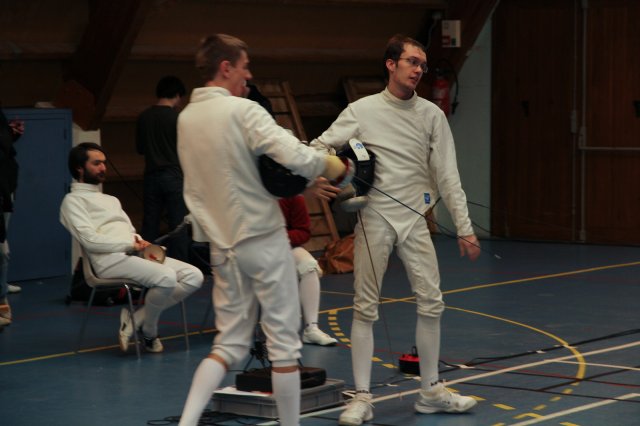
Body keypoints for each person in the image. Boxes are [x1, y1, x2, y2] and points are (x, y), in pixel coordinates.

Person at [176, 34, 351, 426]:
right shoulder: (243, 110)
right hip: (264, 241)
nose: (249, 74)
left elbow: (233, 176)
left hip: (222, 247)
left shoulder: (186, 118)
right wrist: (335, 166)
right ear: (226, 68)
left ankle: (187, 422)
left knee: (229, 343)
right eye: (245, 66)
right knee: (284, 347)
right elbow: (293, 154)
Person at [309, 34, 481, 425]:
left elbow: (448, 174)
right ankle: (362, 397)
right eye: (412, 62)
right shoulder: (362, 110)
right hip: (375, 218)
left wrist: (465, 227)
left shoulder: (432, 115)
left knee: (432, 302)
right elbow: (318, 146)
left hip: (415, 219)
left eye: (422, 64)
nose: (418, 69)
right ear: (391, 64)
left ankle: (431, 391)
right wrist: (316, 178)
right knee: (365, 306)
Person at [59, 142, 203, 353]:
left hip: (133, 254)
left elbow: (129, 231)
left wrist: (139, 242)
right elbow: (90, 240)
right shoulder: (72, 202)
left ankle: (135, 320)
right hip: (107, 261)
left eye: (104, 163)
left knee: (194, 276)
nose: (103, 168)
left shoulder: (111, 199)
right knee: (166, 277)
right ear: (79, 168)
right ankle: (150, 332)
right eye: (96, 163)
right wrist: (129, 244)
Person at [136, 75, 189, 261]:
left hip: (151, 176)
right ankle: (181, 266)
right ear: (177, 94)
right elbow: (186, 149)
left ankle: (148, 265)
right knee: (178, 226)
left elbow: (140, 149)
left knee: (150, 225)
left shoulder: (144, 117)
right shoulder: (178, 118)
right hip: (174, 176)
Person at [279, 195, 338, 346]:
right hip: (250, 247)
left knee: (309, 266)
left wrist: (279, 237)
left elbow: (303, 231)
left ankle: (311, 329)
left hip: (283, 245)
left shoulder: (292, 194)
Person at [0, 109, 24, 327]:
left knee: (2, 249)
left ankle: (2, 294)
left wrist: (10, 134)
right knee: (2, 250)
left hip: (5, 188)